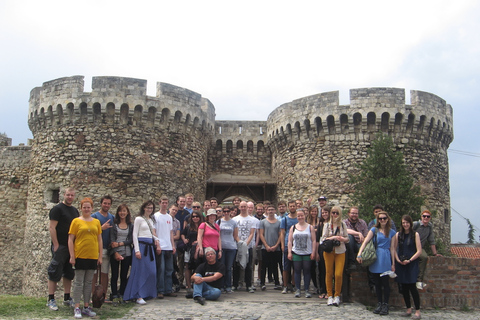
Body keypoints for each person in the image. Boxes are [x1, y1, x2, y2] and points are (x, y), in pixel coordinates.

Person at [68, 197, 102, 318]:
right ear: (81, 208)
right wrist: (72, 255)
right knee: (78, 282)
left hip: (92, 255)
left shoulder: (96, 222)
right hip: (80, 255)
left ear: (92, 208)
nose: (86, 209)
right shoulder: (76, 221)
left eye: (88, 207)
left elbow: (99, 239)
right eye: (84, 207)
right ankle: (77, 306)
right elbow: (71, 239)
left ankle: (86, 306)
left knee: (88, 283)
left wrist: (100, 255)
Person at [357, 211, 396, 315]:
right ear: (378, 220)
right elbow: (365, 241)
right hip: (376, 256)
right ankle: (379, 303)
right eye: (380, 218)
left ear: (387, 219)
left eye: (384, 218)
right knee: (377, 283)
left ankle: (385, 304)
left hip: (386, 257)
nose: (382, 220)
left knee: (385, 283)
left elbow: (393, 248)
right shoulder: (374, 230)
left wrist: (393, 263)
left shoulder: (392, 232)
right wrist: (359, 253)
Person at [47, 187, 79, 311]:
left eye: (72, 195)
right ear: (63, 195)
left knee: (69, 272)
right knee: (54, 271)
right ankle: (51, 299)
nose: (70, 197)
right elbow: (52, 227)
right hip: (60, 245)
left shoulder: (75, 211)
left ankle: (67, 297)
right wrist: (55, 244)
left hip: (71, 247)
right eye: (68, 195)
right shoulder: (57, 209)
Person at [123, 200, 160, 305]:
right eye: (148, 207)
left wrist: (156, 239)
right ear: (144, 208)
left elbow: (150, 233)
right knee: (139, 272)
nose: (149, 209)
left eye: (151, 208)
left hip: (150, 248)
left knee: (152, 271)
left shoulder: (151, 220)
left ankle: (147, 292)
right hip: (141, 247)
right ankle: (138, 295)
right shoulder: (139, 219)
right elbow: (135, 234)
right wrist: (137, 250)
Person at [392, 215, 422, 319]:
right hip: (401, 263)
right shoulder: (398, 235)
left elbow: (419, 251)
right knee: (404, 288)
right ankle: (408, 309)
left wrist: (410, 260)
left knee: (412, 287)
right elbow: (394, 249)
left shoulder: (415, 234)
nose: (405, 224)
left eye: (407, 222)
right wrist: (397, 260)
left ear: (410, 223)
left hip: (412, 263)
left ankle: (417, 311)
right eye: (403, 223)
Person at [320, 206, 349, 306]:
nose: (335, 215)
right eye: (333, 213)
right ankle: (330, 295)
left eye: (337, 213)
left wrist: (342, 239)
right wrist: (334, 237)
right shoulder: (327, 225)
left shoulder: (343, 225)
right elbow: (323, 238)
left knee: (338, 274)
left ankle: (337, 295)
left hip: (340, 250)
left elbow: (347, 238)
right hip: (329, 251)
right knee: (329, 273)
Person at [288, 208, 316, 298]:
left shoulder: (310, 227)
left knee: (307, 271)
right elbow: (289, 241)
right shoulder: (293, 227)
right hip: (296, 252)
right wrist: (289, 252)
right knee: (297, 271)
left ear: (305, 216)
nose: (300, 217)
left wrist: (313, 252)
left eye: (302, 215)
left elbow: (314, 240)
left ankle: (307, 289)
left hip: (307, 252)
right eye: (298, 216)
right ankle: (298, 289)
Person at [109, 204, 133, 302]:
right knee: (114, 275)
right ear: (118, 213)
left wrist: (120, 244)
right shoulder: (114, 225)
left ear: (127, 213)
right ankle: (114, 294)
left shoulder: (130, 225)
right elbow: (111, 240)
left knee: (124, 275)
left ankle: (122, 293)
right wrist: (115, 252)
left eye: (124, 211)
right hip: (116, 253)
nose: (122, 213)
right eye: (120, 211)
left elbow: (131, 240)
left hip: (126, 252)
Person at [91, 195, 114, 300]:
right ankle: (92, 296)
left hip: (106, 249)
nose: (106, 205)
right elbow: (90, 231)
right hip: (95, 248)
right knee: (94, 274)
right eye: (105, 203)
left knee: (104, 273)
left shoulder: (111, 217)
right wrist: (101, 228)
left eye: (108, 203)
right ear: (101, 203)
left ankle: (102, 297)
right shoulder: (94, 216)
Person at [413, 210, 442, 290]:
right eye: (424, 216)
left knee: (424, 257)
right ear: (421, 217)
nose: (426, 218)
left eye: (428, 216)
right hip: (411, 247)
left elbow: (431, 241)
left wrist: (435, 253)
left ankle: (419, 279)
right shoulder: (415, 224)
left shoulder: (429, 227)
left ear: (430, 218)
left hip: (419, 248)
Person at [154, 196, 177, 299]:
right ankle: (160, 290)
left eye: (166, 203)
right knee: (161, 269)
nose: (164, 204)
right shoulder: (155, 216)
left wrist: (173, 245)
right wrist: (157, 244)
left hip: (168, 246)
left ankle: (168, 289)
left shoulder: (169, 217)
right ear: (159, 203)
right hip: (160, 246)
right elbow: (154, 231)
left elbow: (171, 232)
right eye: (163, 202)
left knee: (169, 269)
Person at [232, 201, 257, 293]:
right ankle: (235, 284)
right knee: (236, 265)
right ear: (239, 207)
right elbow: (235, 233)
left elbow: (252, 233)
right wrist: (240, 242)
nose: (243, 208)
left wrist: (246, 244)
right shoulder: (235, 219)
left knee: (248, 265)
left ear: (247, 207)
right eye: (241, 206)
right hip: (238, 245)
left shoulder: (252, 220)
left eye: (244, 206)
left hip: (248, 246)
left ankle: (249, 285)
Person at [258, 205, 282, 290]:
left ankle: (277, 282)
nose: (271, 211)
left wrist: (276, 245)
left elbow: (280, 235)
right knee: (264, 266)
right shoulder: (263, 222)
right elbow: (261, 234)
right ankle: (262, 283)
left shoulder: (279, 222)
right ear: (267, 211)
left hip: (276, 248)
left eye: (272, 210)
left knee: (275, 266)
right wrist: (266, 245)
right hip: (265, 248)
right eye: (269, 210)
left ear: (275, 211)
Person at [181, 210, 204, 292]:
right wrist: (184, 239)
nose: (195, 218)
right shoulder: (189, 226)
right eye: (193, 216)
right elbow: (182, 233)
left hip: (199, 249)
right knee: (188, 266)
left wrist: (199, 242)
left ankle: (197, 284)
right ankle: (189, 285)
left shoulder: (203, 226)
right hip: (189, 248)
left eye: (197, 216)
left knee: (199, 266)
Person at [218, 206, 239, 293]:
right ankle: (221, 285)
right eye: (224, 211)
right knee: (221, 267)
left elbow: (235, 236)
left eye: (228, 211)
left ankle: (228, 285)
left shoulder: (234, 222)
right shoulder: (218, 221)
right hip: (221, 247)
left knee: (229, 268)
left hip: (231, 247)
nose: (226, 213)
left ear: (230, 212)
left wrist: (241, 244)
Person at [280, 200, 298, 294]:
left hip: (297, 245)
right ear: (288, 207)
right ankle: (285, 285)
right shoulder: (285, 219)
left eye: (293, 206)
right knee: (286, 267)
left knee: (296, 266)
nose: (292, 208)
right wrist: (282, 245)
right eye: (290, 206)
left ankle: (294, 285)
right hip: (287, 244)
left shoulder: (299, 219)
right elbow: (282, 233)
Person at [343, 206, 368, 271]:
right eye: (353, 213)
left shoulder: (362, 222)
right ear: (348, 213)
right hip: (349, 244)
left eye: (356, 213)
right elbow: (345, 231)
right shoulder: (344, 222)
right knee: (350, 237)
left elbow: (366, 235)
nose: (354, 215)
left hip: (360, 243)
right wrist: (358, 233)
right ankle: (351, 263)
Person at [316, 206, 330, 299]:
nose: (324, 214)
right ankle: (323, 290)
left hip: (330, 248)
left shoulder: (332, 224)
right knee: (322, 270)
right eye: (323, 213)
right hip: (321, 248)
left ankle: (329, 291)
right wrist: (316, 252)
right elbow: (317, 239)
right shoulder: (320, 224)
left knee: (329, 271)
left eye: (326, 212)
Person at [306, 205, 320, 292]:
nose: (314, 213)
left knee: (319, 267)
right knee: (311, 267)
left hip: (319, 244)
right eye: (312, 211)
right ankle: (315, 285)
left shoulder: (320, 221)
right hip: (309, 245)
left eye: (315, 211)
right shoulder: (307, 221)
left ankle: (319, 286)